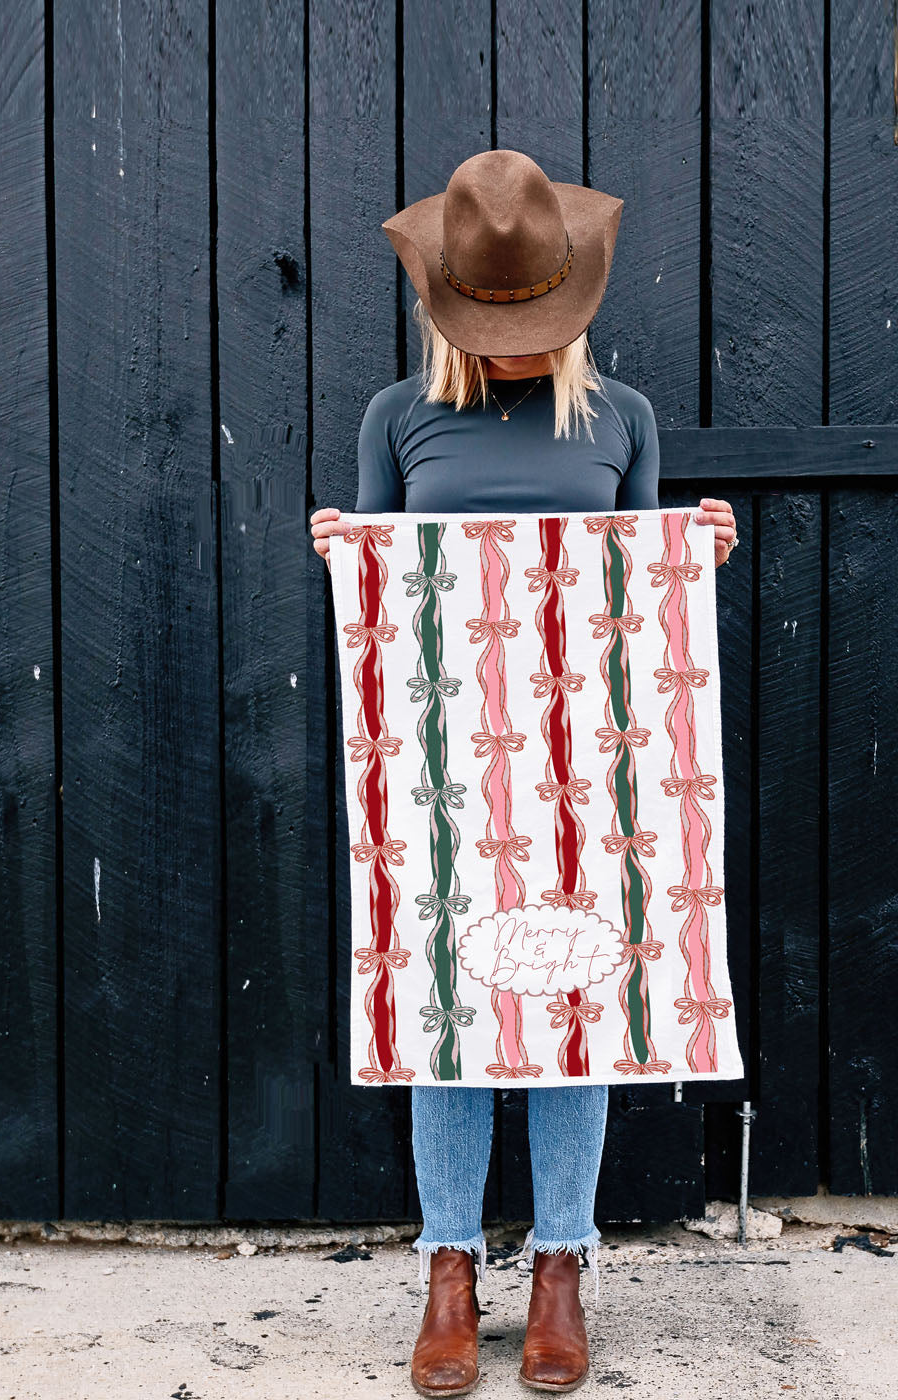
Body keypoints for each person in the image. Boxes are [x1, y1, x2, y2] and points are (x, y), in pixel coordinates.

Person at [310, 149, 738, 1397]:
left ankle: (560, 1264)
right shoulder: (398, 416)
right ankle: (449, 1263)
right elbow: (383, 597)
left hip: (592, 770)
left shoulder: (623, 418)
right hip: (442, 773)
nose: (508, 343)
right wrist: (348, 548)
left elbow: (638, 582)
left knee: (577, 1000)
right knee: (447, 1006)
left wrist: (689, 549)